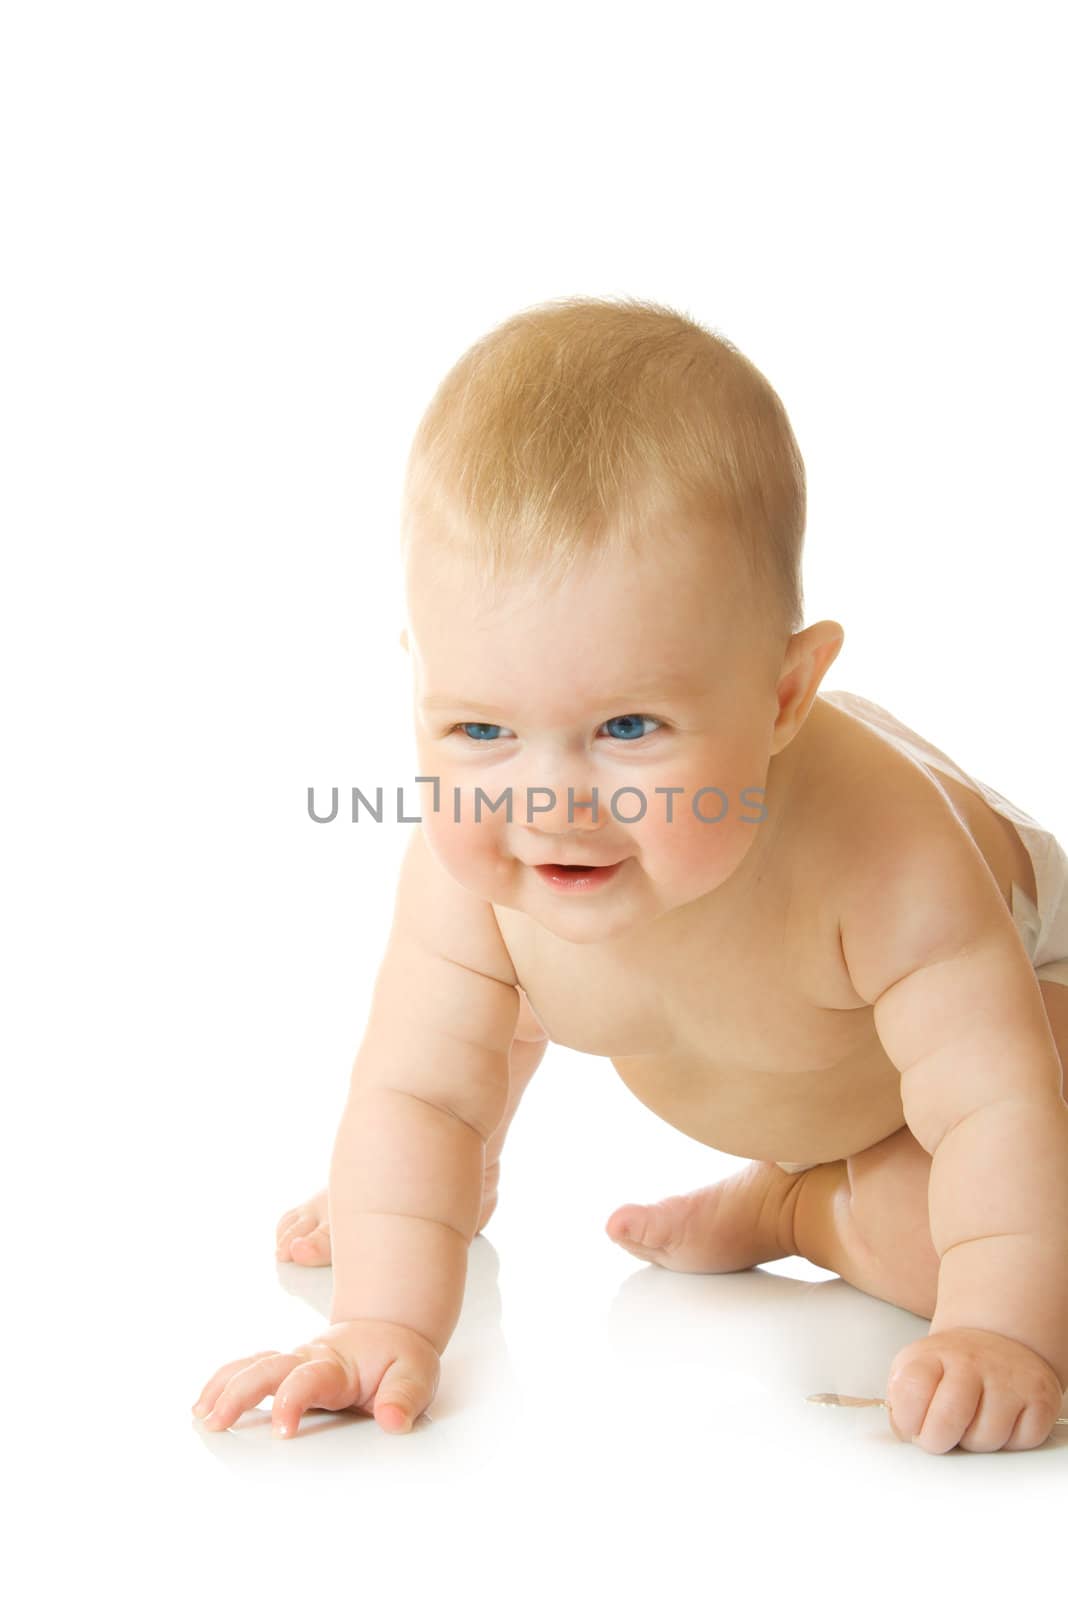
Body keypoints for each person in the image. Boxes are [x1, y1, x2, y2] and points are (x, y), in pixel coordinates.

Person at [192, 296, 1068, 1454]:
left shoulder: (887, 868)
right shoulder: (480, 867)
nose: (548, 803)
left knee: (1006, 1237)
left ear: (781, 699)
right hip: (790, 1055)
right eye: (478, 730)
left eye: (630, 726)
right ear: (420, 680)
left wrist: (1008, 1334)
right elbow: (423, 1092)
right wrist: (382, 1313)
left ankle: (804, 1206)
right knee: (444, 1080)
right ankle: (469, 1194)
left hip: (1023, 974)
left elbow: (998, 1107)